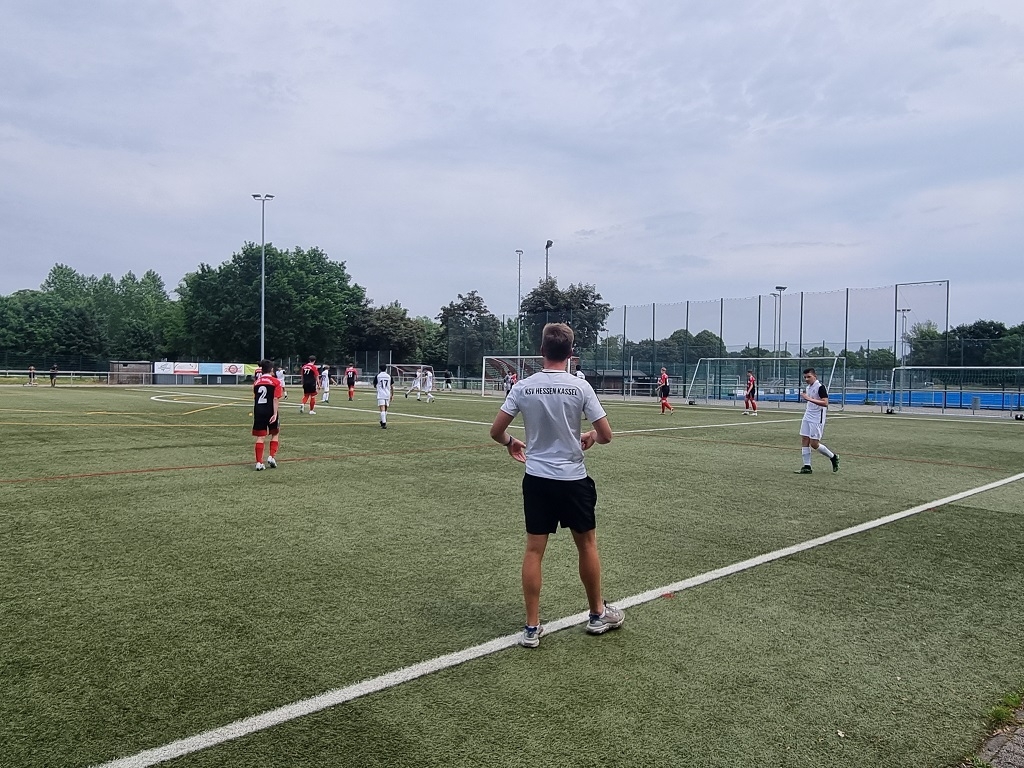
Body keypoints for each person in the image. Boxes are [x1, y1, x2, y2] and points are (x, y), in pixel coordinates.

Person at [489, 322, 624, 649]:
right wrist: (590, 436)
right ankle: (597, 615)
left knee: (534, 550)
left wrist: (510, 442)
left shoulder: (523, 387)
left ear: (542, 351)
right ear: (571, 353)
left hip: (537, 479)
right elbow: (606, 435)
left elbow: (496, 431)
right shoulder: (581, 387)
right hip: (573, 480)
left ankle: (531, 628)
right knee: (587, 546)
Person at [797, 368, 839, 474]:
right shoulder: (808, 387)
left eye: (809, 377)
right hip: (808, 415)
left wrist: (808, 398)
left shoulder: (820, 387)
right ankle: (807, 466)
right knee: (804, 439)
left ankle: (833, 457)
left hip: (817, 418)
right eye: (805, 377)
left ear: (815, 376)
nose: (806, 379)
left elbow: (825, 403)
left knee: (814, 444)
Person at [252, 359, 282, 470]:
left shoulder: (256, 382)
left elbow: (255, 397)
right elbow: (275, 399)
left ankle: (259, 462)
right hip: (270, 410)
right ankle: (271, 456)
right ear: (272, 370)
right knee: (275, 433)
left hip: (259, 411)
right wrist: (275, 413)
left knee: (260, 437)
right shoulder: (275, 382)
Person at [373, 364, 393, 429]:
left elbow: (374, 384)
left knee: (382, 408)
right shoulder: (389, 376)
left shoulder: (378, 376)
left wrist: (377, 387)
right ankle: (382, 421)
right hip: (387, 394)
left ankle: (383, 423)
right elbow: (391, 386)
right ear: (386, 369)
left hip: (381, 394)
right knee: (385, 408)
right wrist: (392, 394)